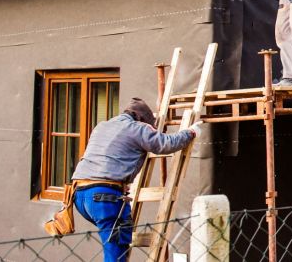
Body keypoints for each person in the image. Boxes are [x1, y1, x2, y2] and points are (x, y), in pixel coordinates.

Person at [70, 98, 201, 262]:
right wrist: (190, 132)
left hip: (80, 195)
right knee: (116, 250)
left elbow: (107, 157)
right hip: (104, 197)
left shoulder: (102, 126)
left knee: (114, 238)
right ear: (141, 119)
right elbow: (165, 144)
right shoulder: (137, 128)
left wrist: (118, 182)